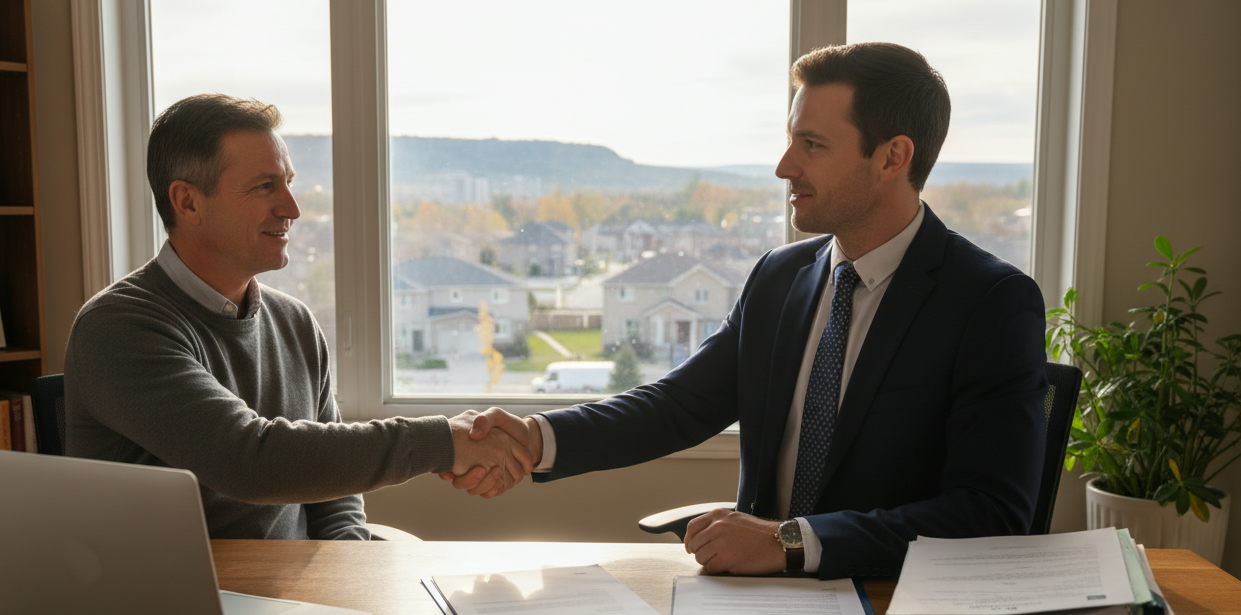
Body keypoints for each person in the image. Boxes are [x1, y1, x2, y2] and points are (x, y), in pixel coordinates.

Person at [449, 43, 1048, 580]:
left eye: (811, 145)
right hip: (753, 611)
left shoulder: (990, 303)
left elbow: (991, 514)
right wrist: (534, 438)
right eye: (791, 141)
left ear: (893, 157)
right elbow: (679, 406)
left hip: (889, 612)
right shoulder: (779, 277)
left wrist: (790, 542)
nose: (785, 167)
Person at [64, 93, 530, 540]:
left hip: (295, 603)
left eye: (288, 182)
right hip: (177, 608)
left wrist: (349, 569)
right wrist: (444, 440)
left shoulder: (295, 322)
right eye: (265, 186)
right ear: (187, 202)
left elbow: (334, 496)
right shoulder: (118, 328)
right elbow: (249, 461)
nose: (292, 208)